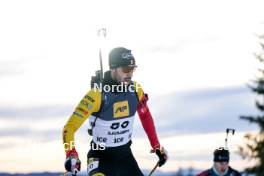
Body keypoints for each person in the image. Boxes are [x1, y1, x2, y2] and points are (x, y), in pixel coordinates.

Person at [62, 47, 168, 176]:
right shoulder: (97, 95)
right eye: (125, 69)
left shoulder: (135, 90)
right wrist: (71, 153)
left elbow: (146, 117)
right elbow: (69, 127)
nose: (130, 74)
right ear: (113, 68)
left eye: (133, 68)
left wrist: (156, 146)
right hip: (100, 157)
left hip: (125, 157)